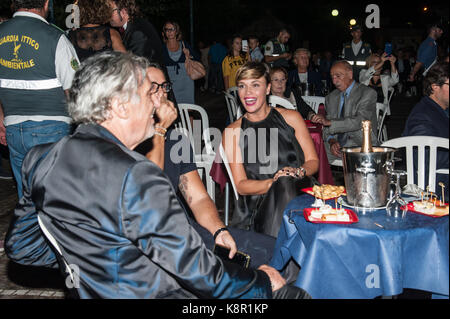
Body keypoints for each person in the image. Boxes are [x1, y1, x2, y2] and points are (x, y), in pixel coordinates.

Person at [4, 51, 307, 299]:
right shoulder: (137, 174)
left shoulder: (41, 157)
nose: (156, 102)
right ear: (120, 106)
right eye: (146, 94)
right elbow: (203, 275)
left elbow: (23, 248)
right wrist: (263, 284)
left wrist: (95, 263)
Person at [137, 65, 277, 268]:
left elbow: (200, 199)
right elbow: (149, 190)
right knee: (248, 271)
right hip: (158, 239)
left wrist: (220, 230)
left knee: (273, 248)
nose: (162, 93)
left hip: (189, 229)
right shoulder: (132, 140)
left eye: (164, 87)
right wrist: (159, 129)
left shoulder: (176, 140)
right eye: (153, 87)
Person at [222, 61, 319, 237]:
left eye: (255, 85)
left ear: (267, 88)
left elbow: (313, 161)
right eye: (242, 86)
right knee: (283, 185)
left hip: (300, 193)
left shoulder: (291, 118)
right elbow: (241, 186)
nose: (248, 93)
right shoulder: (232, 132)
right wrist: (275, 183)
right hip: (258, 206)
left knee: (286, 185)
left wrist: (298, 172)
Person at [0, 0, 79, 198]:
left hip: (14, 131)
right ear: (45, 4)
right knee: (54, 200)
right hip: (51, 130)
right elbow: (76, 90)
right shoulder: (55, 37)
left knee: (27, 199)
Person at [311, 61, 378, 163]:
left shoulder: (367, 93)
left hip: (361, 144)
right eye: (332, 77)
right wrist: (332, 141)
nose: (334, 81)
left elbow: (360, 121)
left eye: (338, 76)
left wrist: (330, 122)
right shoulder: (331, 97)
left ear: (350, 74)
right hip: (337, 145)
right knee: (311, 153)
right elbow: (326, 129)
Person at [402, 61, 449, 201]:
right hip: (437, 186)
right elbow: (424, 157)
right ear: (435, 87)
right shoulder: (422, 115)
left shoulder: (442, 109)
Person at [109, 0, 165, 67]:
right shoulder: (135, 25)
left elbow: (137, 67)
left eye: (110, 11)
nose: (108, 15)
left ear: (123, 12)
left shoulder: (137, 32)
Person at [161, 20, 199, 104]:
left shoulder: (184, 45)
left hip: (186, 82)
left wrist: (189, 55)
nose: (169, 32)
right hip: (171, 84)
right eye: (167, 29)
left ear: (177, 31)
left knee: (188, 111)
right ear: (164, 32)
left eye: (172, 29)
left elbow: (197, 58)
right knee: (174, 111)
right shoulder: (162, 48)